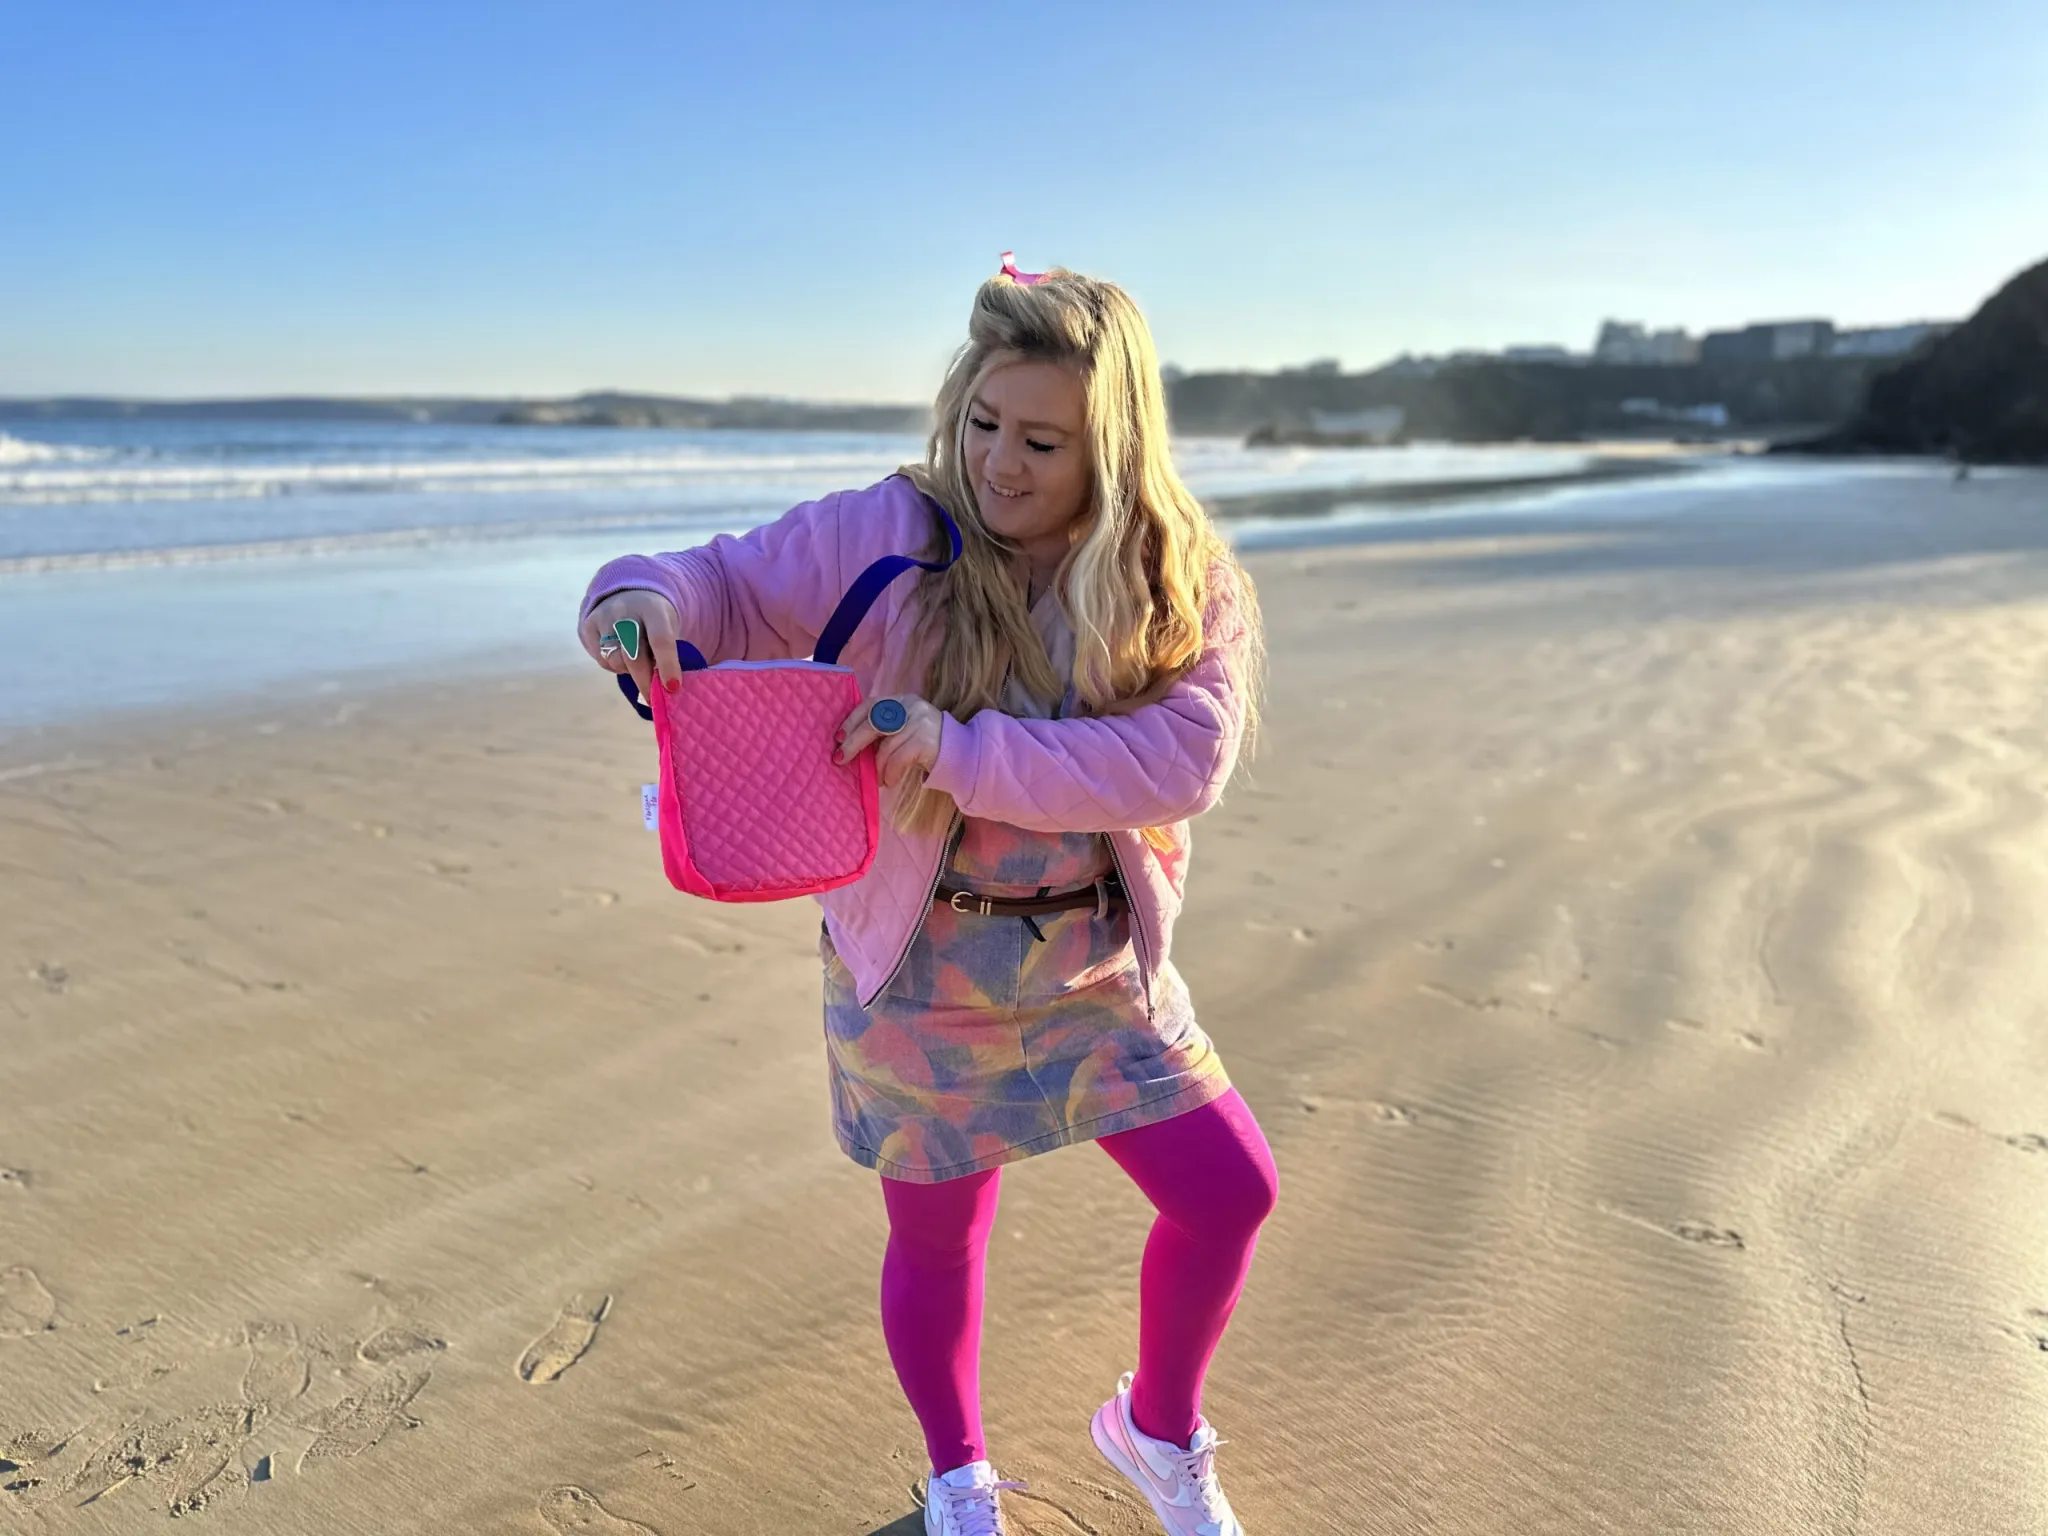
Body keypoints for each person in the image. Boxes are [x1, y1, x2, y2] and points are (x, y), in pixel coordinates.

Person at [577, 256, 1277, 1536]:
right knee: (942, 1240)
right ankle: (960, 1481)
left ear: (1113, 448)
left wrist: (956, 748)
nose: (999, 463)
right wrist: (635, 596)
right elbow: (718, 582)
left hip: (1091, 964)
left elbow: (1182, 757)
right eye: (983, 422)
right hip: (914, 968)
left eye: (1042, 442)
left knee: (1229, 1191)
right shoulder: (889, 533)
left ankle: (1157, 1430)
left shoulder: (1174, 572)